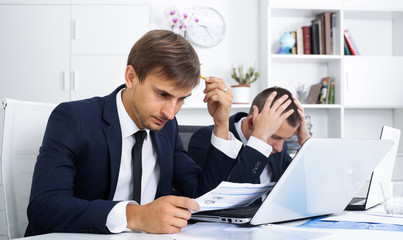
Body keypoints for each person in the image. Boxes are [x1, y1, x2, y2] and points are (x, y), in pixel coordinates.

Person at [26, 30, 241, 236]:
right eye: (162, 94)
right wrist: (136, 216)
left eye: (181, 99)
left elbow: (202, 198)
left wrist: (221, 125)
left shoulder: (167, 128)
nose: (171, 113)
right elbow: (43, 209)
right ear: (131, 77)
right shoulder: (74, 118)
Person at [188, 87, 311, 185]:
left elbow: (300, 186)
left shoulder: (279, 147)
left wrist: (306, 142)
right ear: (251, 122)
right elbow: (226, 201)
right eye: (275, 137)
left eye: (286, 139)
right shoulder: (206, 139)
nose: (280, 147)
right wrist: (259, 138)